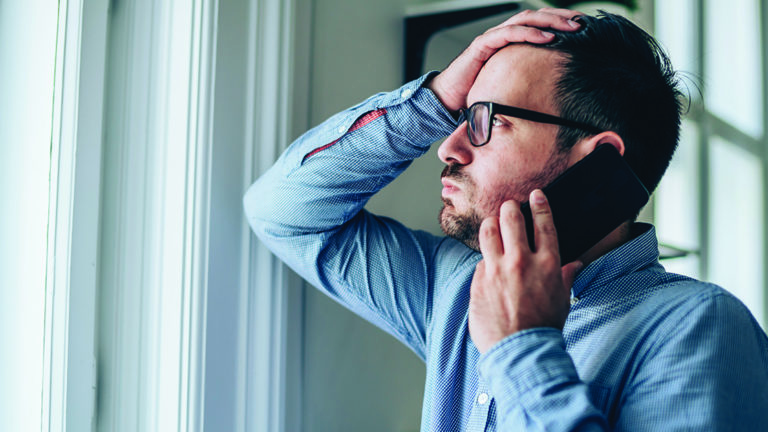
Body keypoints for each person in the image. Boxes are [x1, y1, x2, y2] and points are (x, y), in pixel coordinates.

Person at [245, 8, 768, 431]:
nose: (446, 147)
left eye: (482, 120)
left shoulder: (699, 328)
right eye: (457, 115)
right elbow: (284, 212)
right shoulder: (453, 290)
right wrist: (434, 98)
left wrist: (521, 348)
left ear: (596, 159)